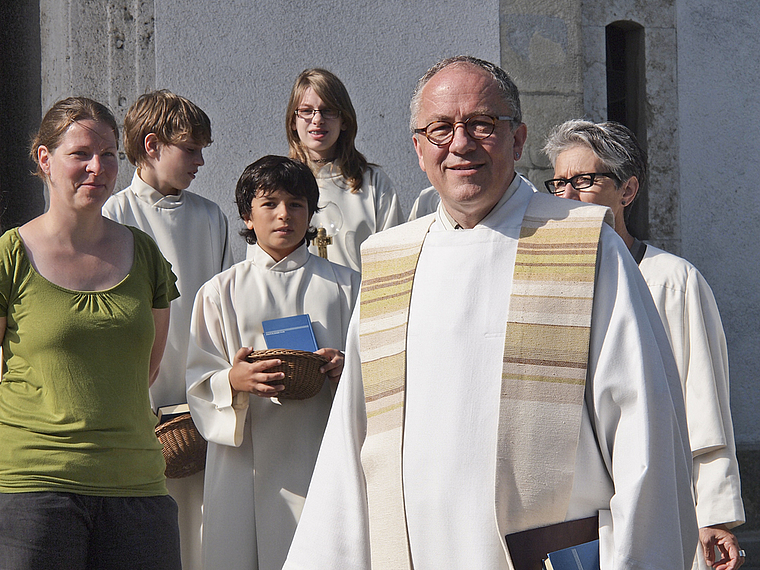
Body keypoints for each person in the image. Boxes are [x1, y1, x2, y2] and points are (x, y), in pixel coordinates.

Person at [283, 56, 698, 570]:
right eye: (440, 129)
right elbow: (352, 439)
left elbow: (644, 431)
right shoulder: (391, 260)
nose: (460, 144)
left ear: (518, 139)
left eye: (481, 124)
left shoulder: (587, 244)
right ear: (418, 149)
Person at [544, 119, 745, 570]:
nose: (568, 196)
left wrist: (713, 513)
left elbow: (704, 401)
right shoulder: (548, 283)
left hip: (658, 496)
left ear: (627, 190)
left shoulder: (672, 281)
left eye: (585, 180)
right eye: (558, 183)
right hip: (573, 511)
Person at [0, 97, 180, 568]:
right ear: (45, 159)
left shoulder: (145, 255)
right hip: (34, 490)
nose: (97, 167)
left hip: (137, 486)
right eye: (81, 153)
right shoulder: (11, 255)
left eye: (109, 155)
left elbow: (149, 365)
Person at [186, 155, 360, 569]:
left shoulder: (346, 284)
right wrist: (233, 379)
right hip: (244, 460)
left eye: (297, 204)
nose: (285, 215)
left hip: (322, 453)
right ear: (247, 216)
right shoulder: (219, 292)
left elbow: (376, 367)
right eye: (270, 204)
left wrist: (344, 368)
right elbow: (197, 379)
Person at [102, 89, 232, 570]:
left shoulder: (210, 216)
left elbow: (223, 310)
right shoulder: (115, 216)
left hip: (202, 402)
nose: (200, 160)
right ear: (152, 145)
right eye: (190, 149)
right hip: (142, 405)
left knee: (203, 534)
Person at [284, 68, 403, 271]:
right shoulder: (280, 182)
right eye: (306, 110)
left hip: (359, 300)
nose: (317, 119)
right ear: (293, 121)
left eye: (328, 110)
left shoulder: (373, 183)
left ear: (345, 120)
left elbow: (393, 260)